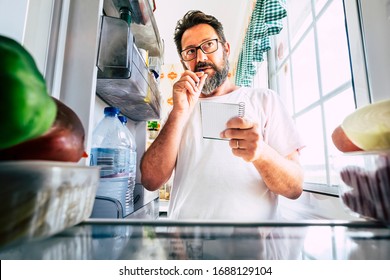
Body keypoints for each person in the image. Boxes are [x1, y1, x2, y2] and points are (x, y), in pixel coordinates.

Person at [141, 10, 304, 221]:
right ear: (183, 62)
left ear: (226, 49)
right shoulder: (179, 112)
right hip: (185, 248)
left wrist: (261, 153)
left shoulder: (265, 100)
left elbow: (295, 187)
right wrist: (178, 113)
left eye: (208, 45)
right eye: (190, 51)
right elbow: (150, 180)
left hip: (249, 248)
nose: (200, 57)